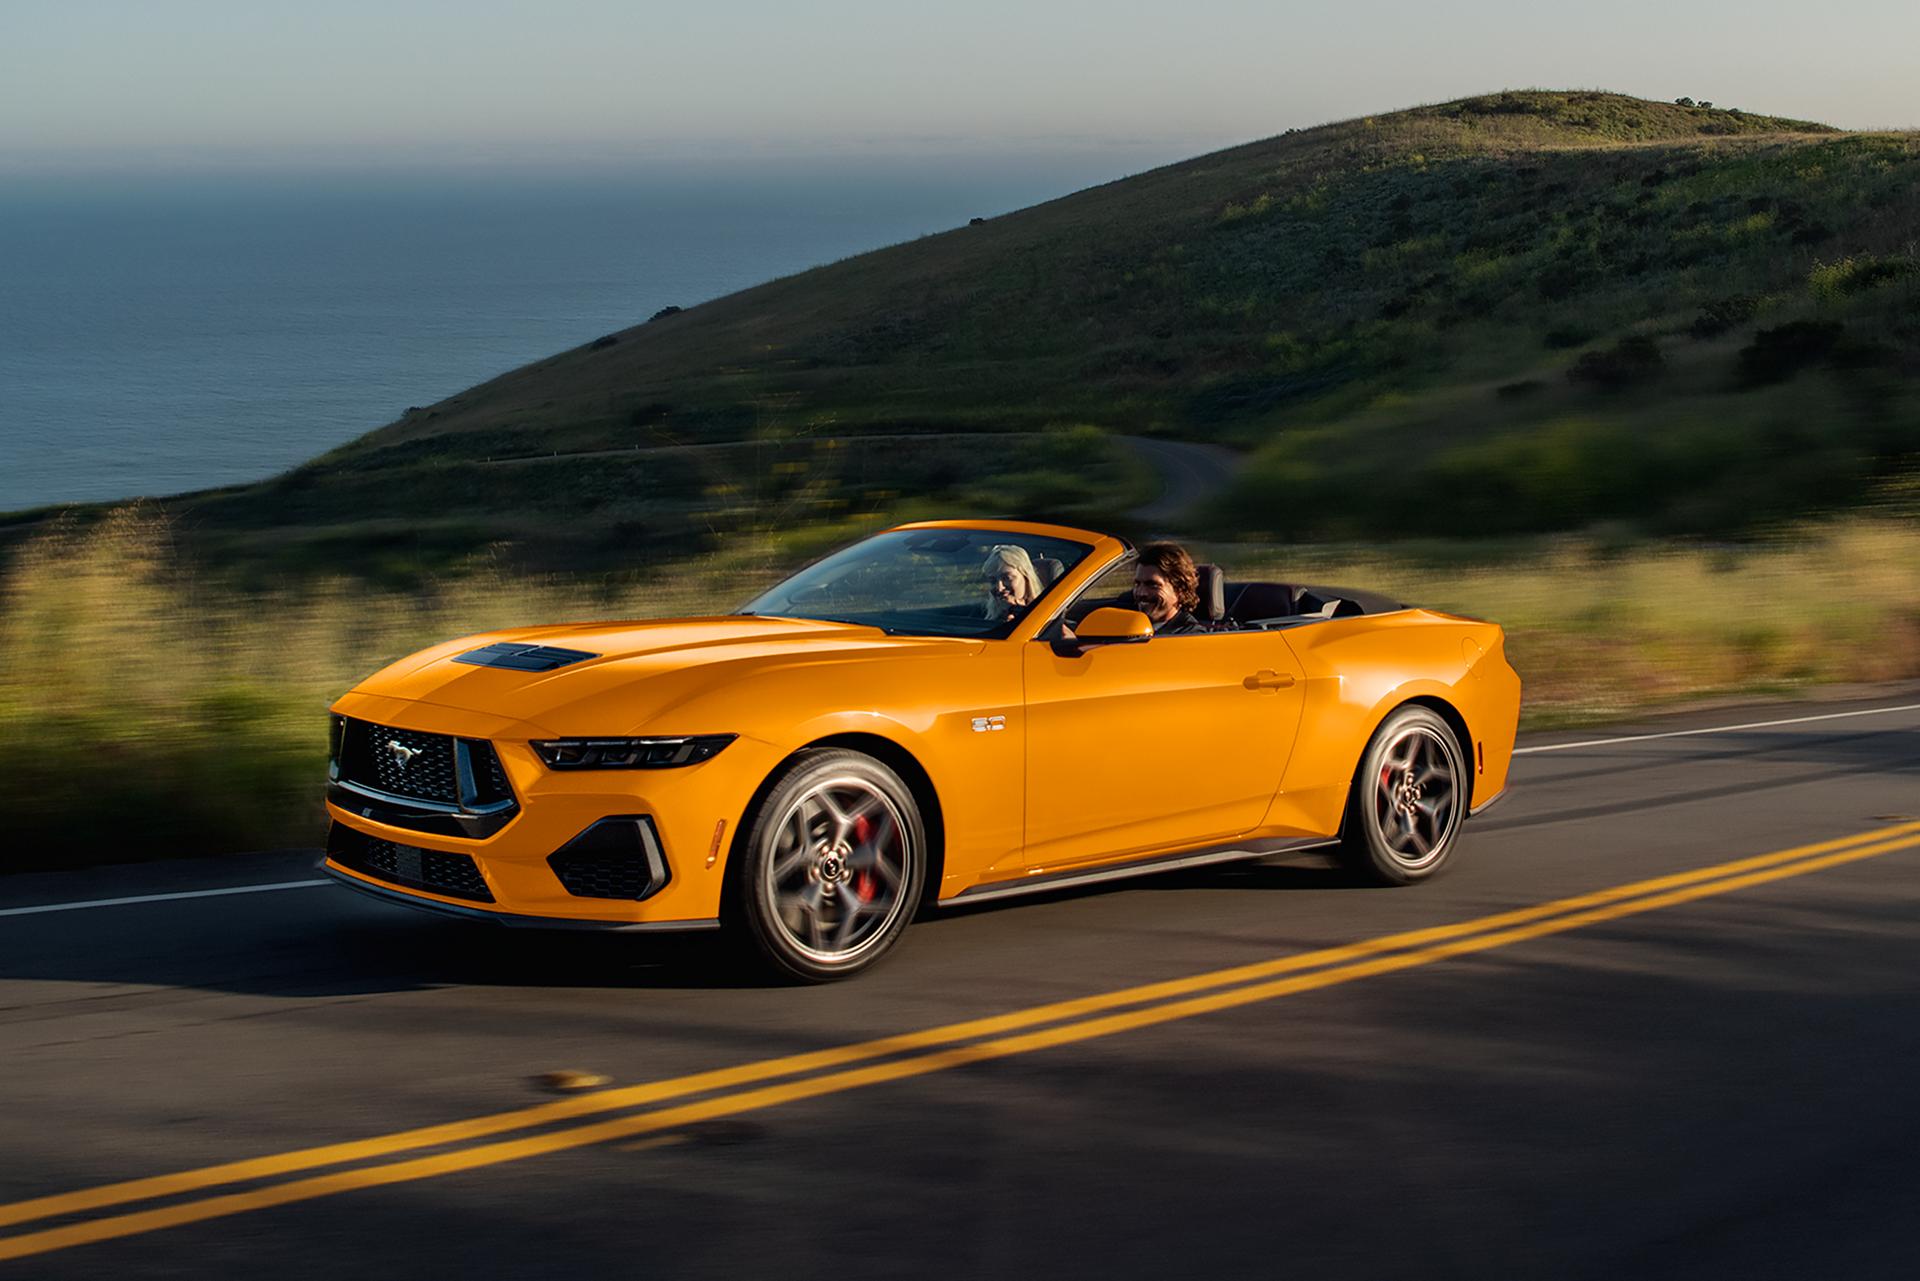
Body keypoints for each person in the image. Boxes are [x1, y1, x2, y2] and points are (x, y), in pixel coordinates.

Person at [1133, 542, 1207, 635]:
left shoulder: (1190, 636)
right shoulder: (1128, 622)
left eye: (1153, 585)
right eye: (1137, 584)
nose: (1141, 593)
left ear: (1179, 589)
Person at [980, 544, 1042, 621]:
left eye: (1007, 578)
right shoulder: (983, 619)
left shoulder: (1047, 618)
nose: (999, 588)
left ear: (1026, 577)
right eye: (993, 581)